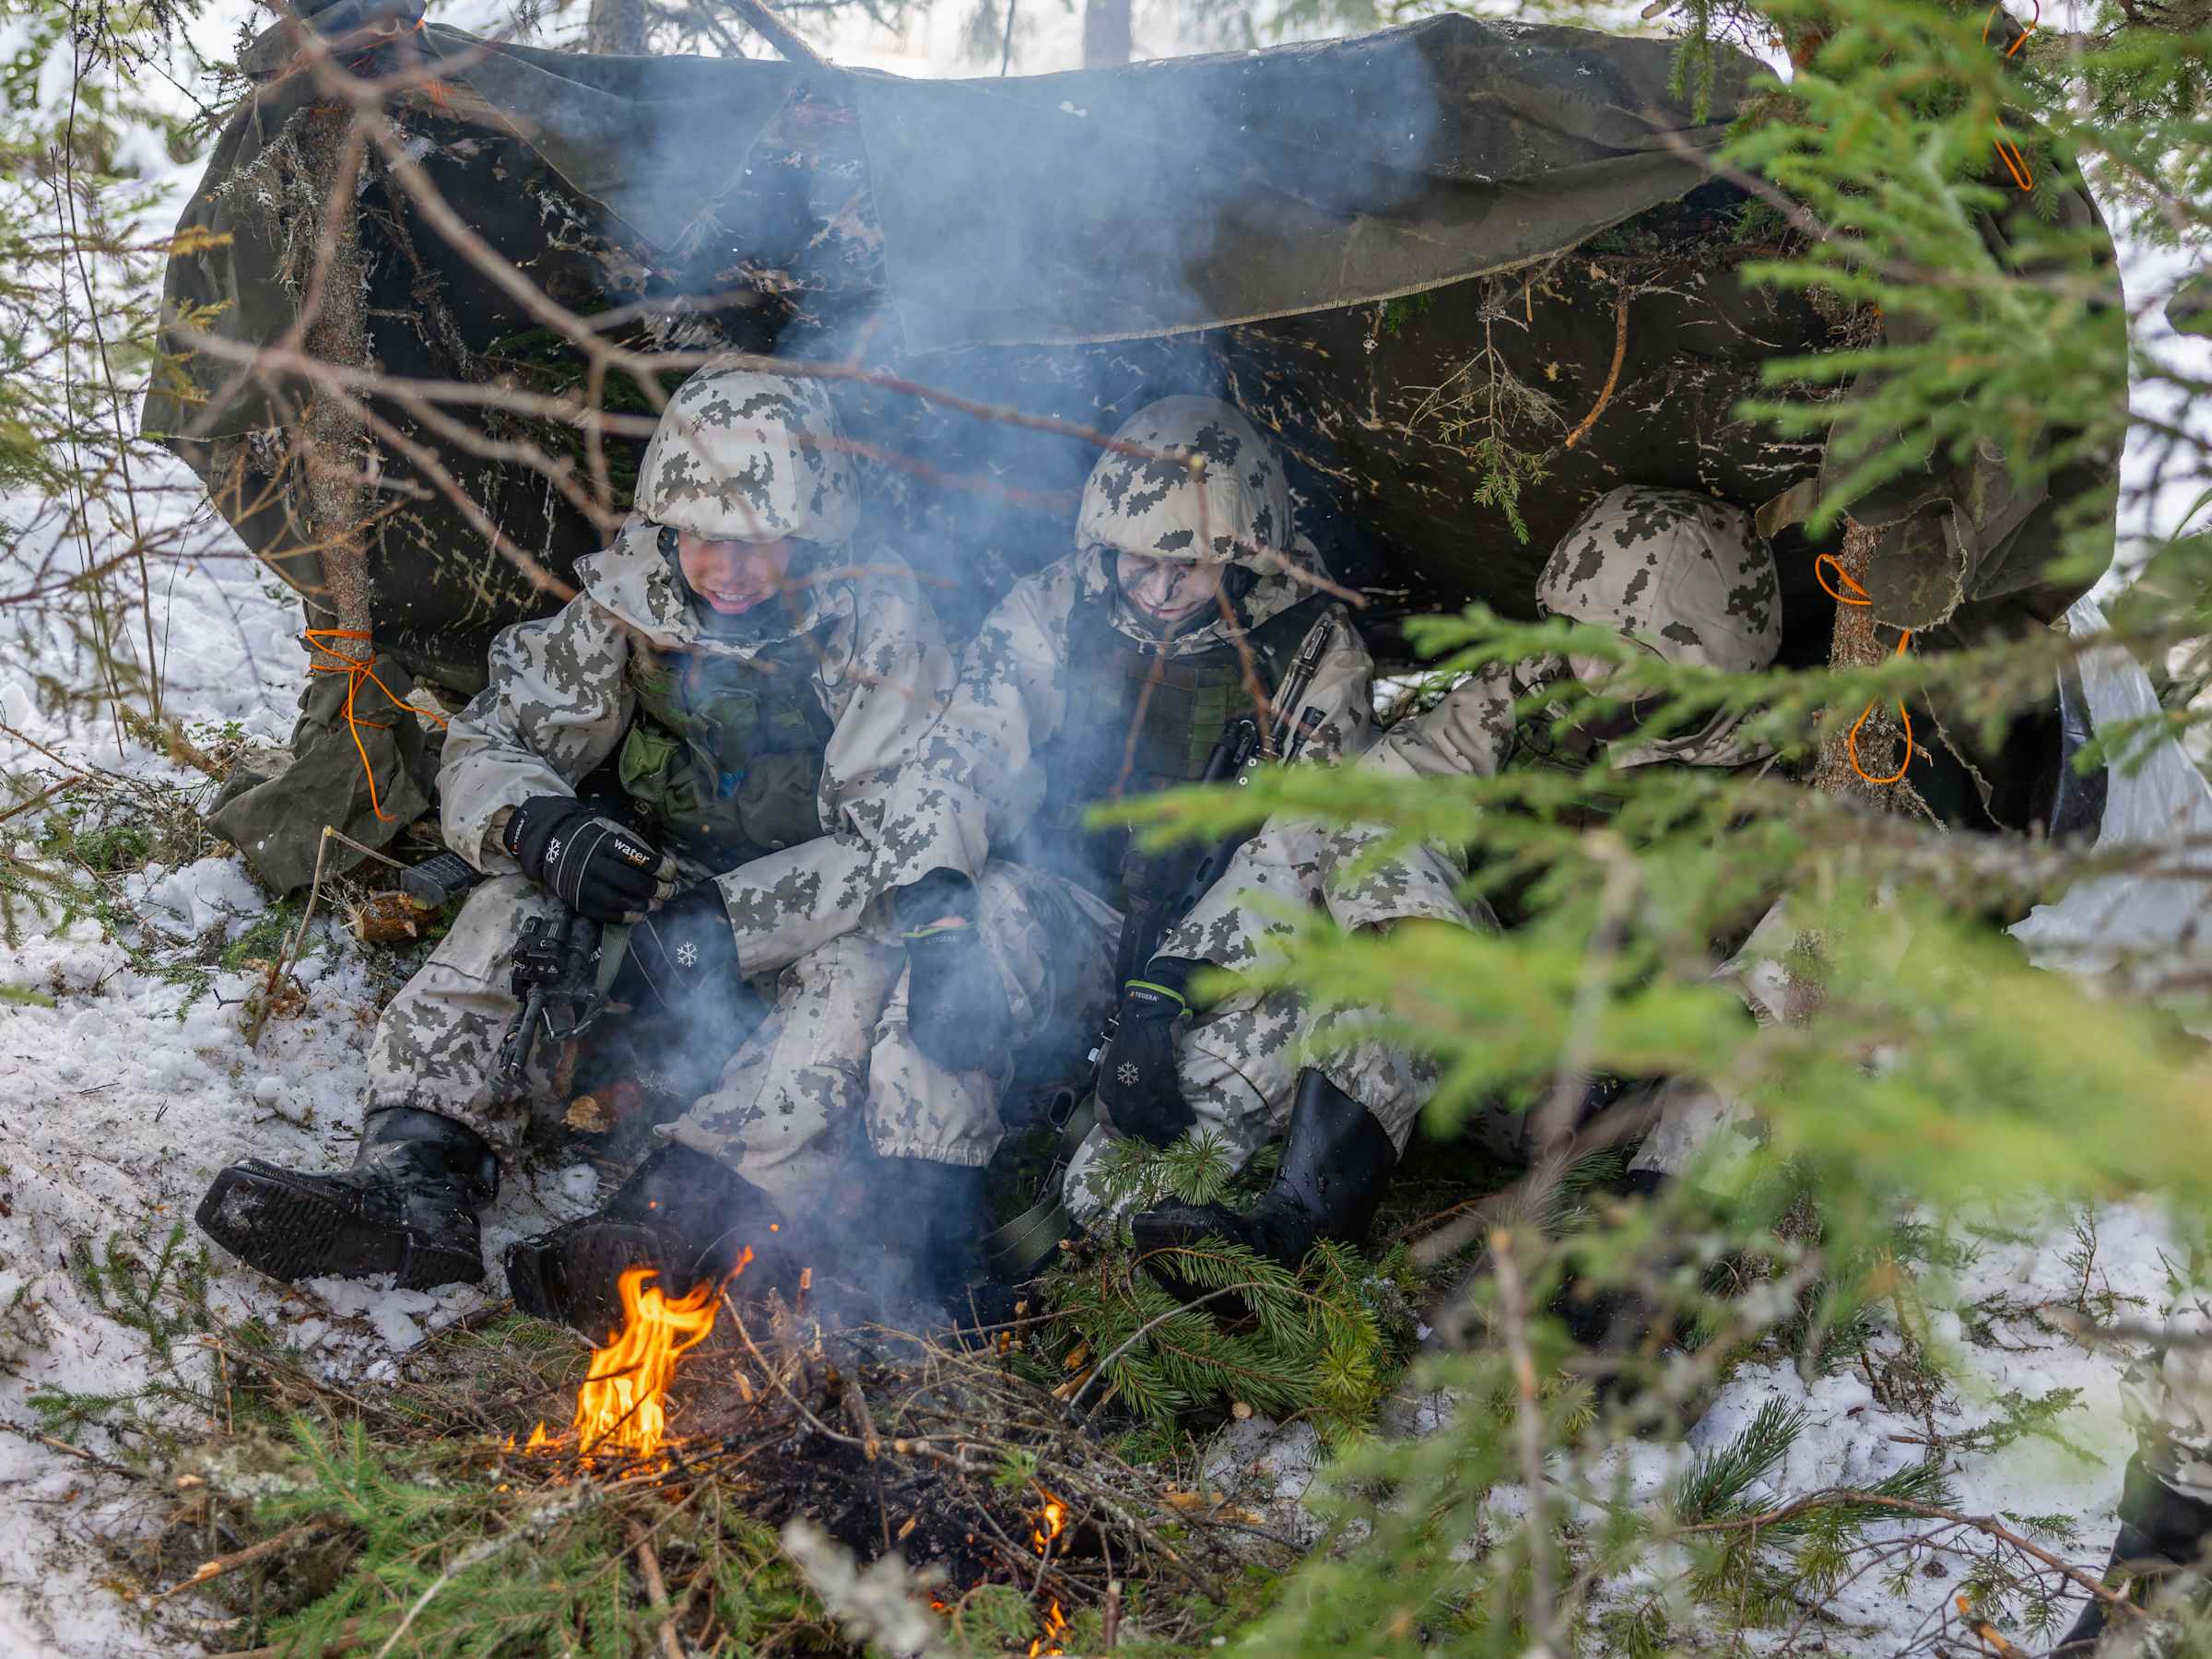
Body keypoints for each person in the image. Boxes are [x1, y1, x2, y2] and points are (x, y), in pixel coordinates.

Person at [196, 360, 984, 1336]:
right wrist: (543, 826)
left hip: (805, 916)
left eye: (758, 544)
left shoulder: (880, 628)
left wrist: (729, 926)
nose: (727, 571)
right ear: (669, 523)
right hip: (658, 889)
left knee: (857, 978)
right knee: (508, 905)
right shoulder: (630, 598)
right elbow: (495, 738)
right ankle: (417, 1183)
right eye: (702, 538)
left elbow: (904, 835)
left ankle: (668, 1230)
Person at [1100, 483, 1789, 1270]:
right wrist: (1177, 981)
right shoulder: (1523, 696)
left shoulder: (1771, 784)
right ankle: (1278, 1230)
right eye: (1579, 633)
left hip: (1619, 1107)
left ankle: (1628, 1299)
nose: (1586, 670)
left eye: (1627, 654)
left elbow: (1785, 985)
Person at [865, 394, 1378, 1270]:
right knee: (958, 956)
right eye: (1136, 563)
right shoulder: (1059, 607)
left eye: (1187, 568)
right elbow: (961, 756)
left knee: (1156, 1142)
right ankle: (919, 1246)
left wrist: (1172, 989)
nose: (1157, 590)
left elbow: (1303, 851)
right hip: (1076, 904)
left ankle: (1130, 1251)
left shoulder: (1316, 655)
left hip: (1220, 951)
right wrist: (939, 926)